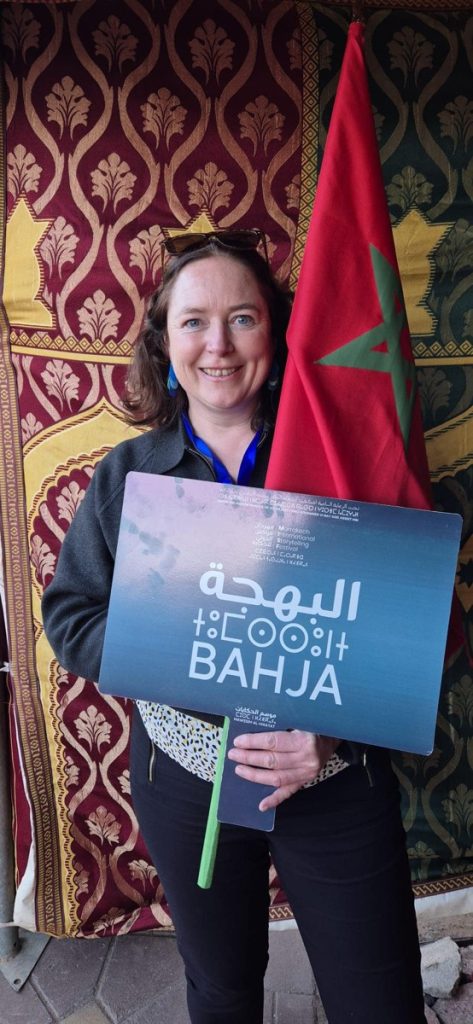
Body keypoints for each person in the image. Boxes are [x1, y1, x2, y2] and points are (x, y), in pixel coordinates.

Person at [42, 230, 427, 1024]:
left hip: (332, 779)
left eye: (242, 319)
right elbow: (71, 617)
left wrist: (329, 731)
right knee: (220, 988)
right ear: (164, 341)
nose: (216, 345)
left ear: (277, 332)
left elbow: (409, 627)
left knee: (376, 998)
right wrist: (189, 641)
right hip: (186, 781)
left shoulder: (339, 459)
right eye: (192, 321)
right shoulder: (129, 476)